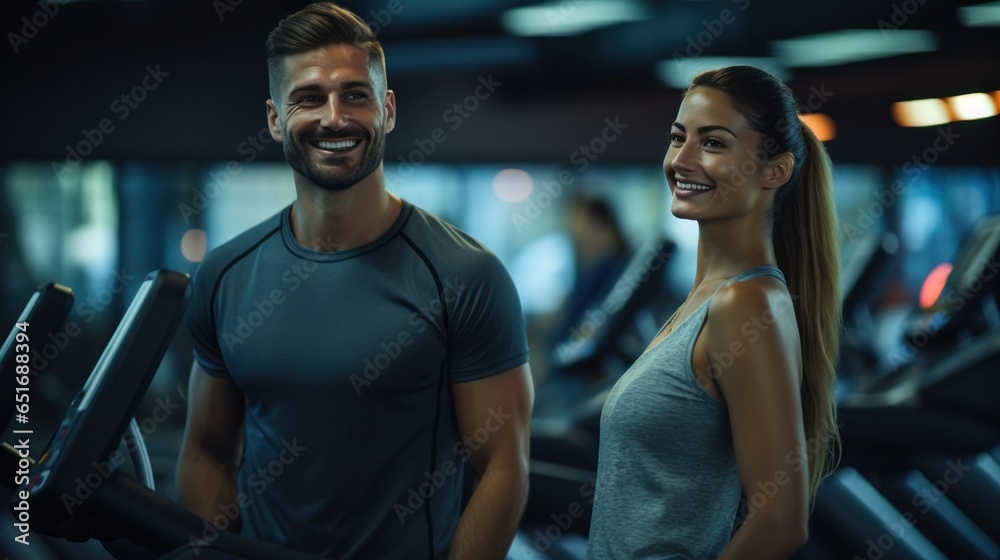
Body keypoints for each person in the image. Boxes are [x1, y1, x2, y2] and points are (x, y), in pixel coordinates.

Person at [176, 4, 534, 559]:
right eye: (309, 98)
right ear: (275, 119)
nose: (335, 117)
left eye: (355, 95)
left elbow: (503, 467)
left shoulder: (465, 275)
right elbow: (206, 452)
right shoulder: (224, 275)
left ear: (387, 110)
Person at [586, 65, 841, 559]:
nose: (681, 159)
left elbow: (780, 522)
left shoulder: (746, 304)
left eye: (714, 143)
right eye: (677, 137)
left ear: (775, 170)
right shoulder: (703, 300)